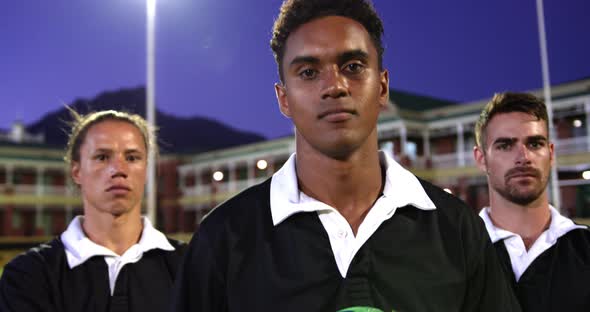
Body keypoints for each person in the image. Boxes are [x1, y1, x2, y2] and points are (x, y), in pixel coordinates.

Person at [172, 0, 520, 311]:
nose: (335, 86)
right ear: (284, 99)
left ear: (382, 87)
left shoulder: (456, 229)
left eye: (352, 66)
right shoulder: (223, 238)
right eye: (308, 72)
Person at [0, 110, 186, 312]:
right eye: (102, 157)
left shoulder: (190, 265)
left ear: (146, 171)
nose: (119, 169)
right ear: (77, 172)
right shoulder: (28, 273)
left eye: (132, 158)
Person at [473, 92, 590, 311]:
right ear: (481, 159)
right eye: (505, 145)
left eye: (535, 144)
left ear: (551, 153)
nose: (523, 157)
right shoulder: (453, 254)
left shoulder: (584, 248)